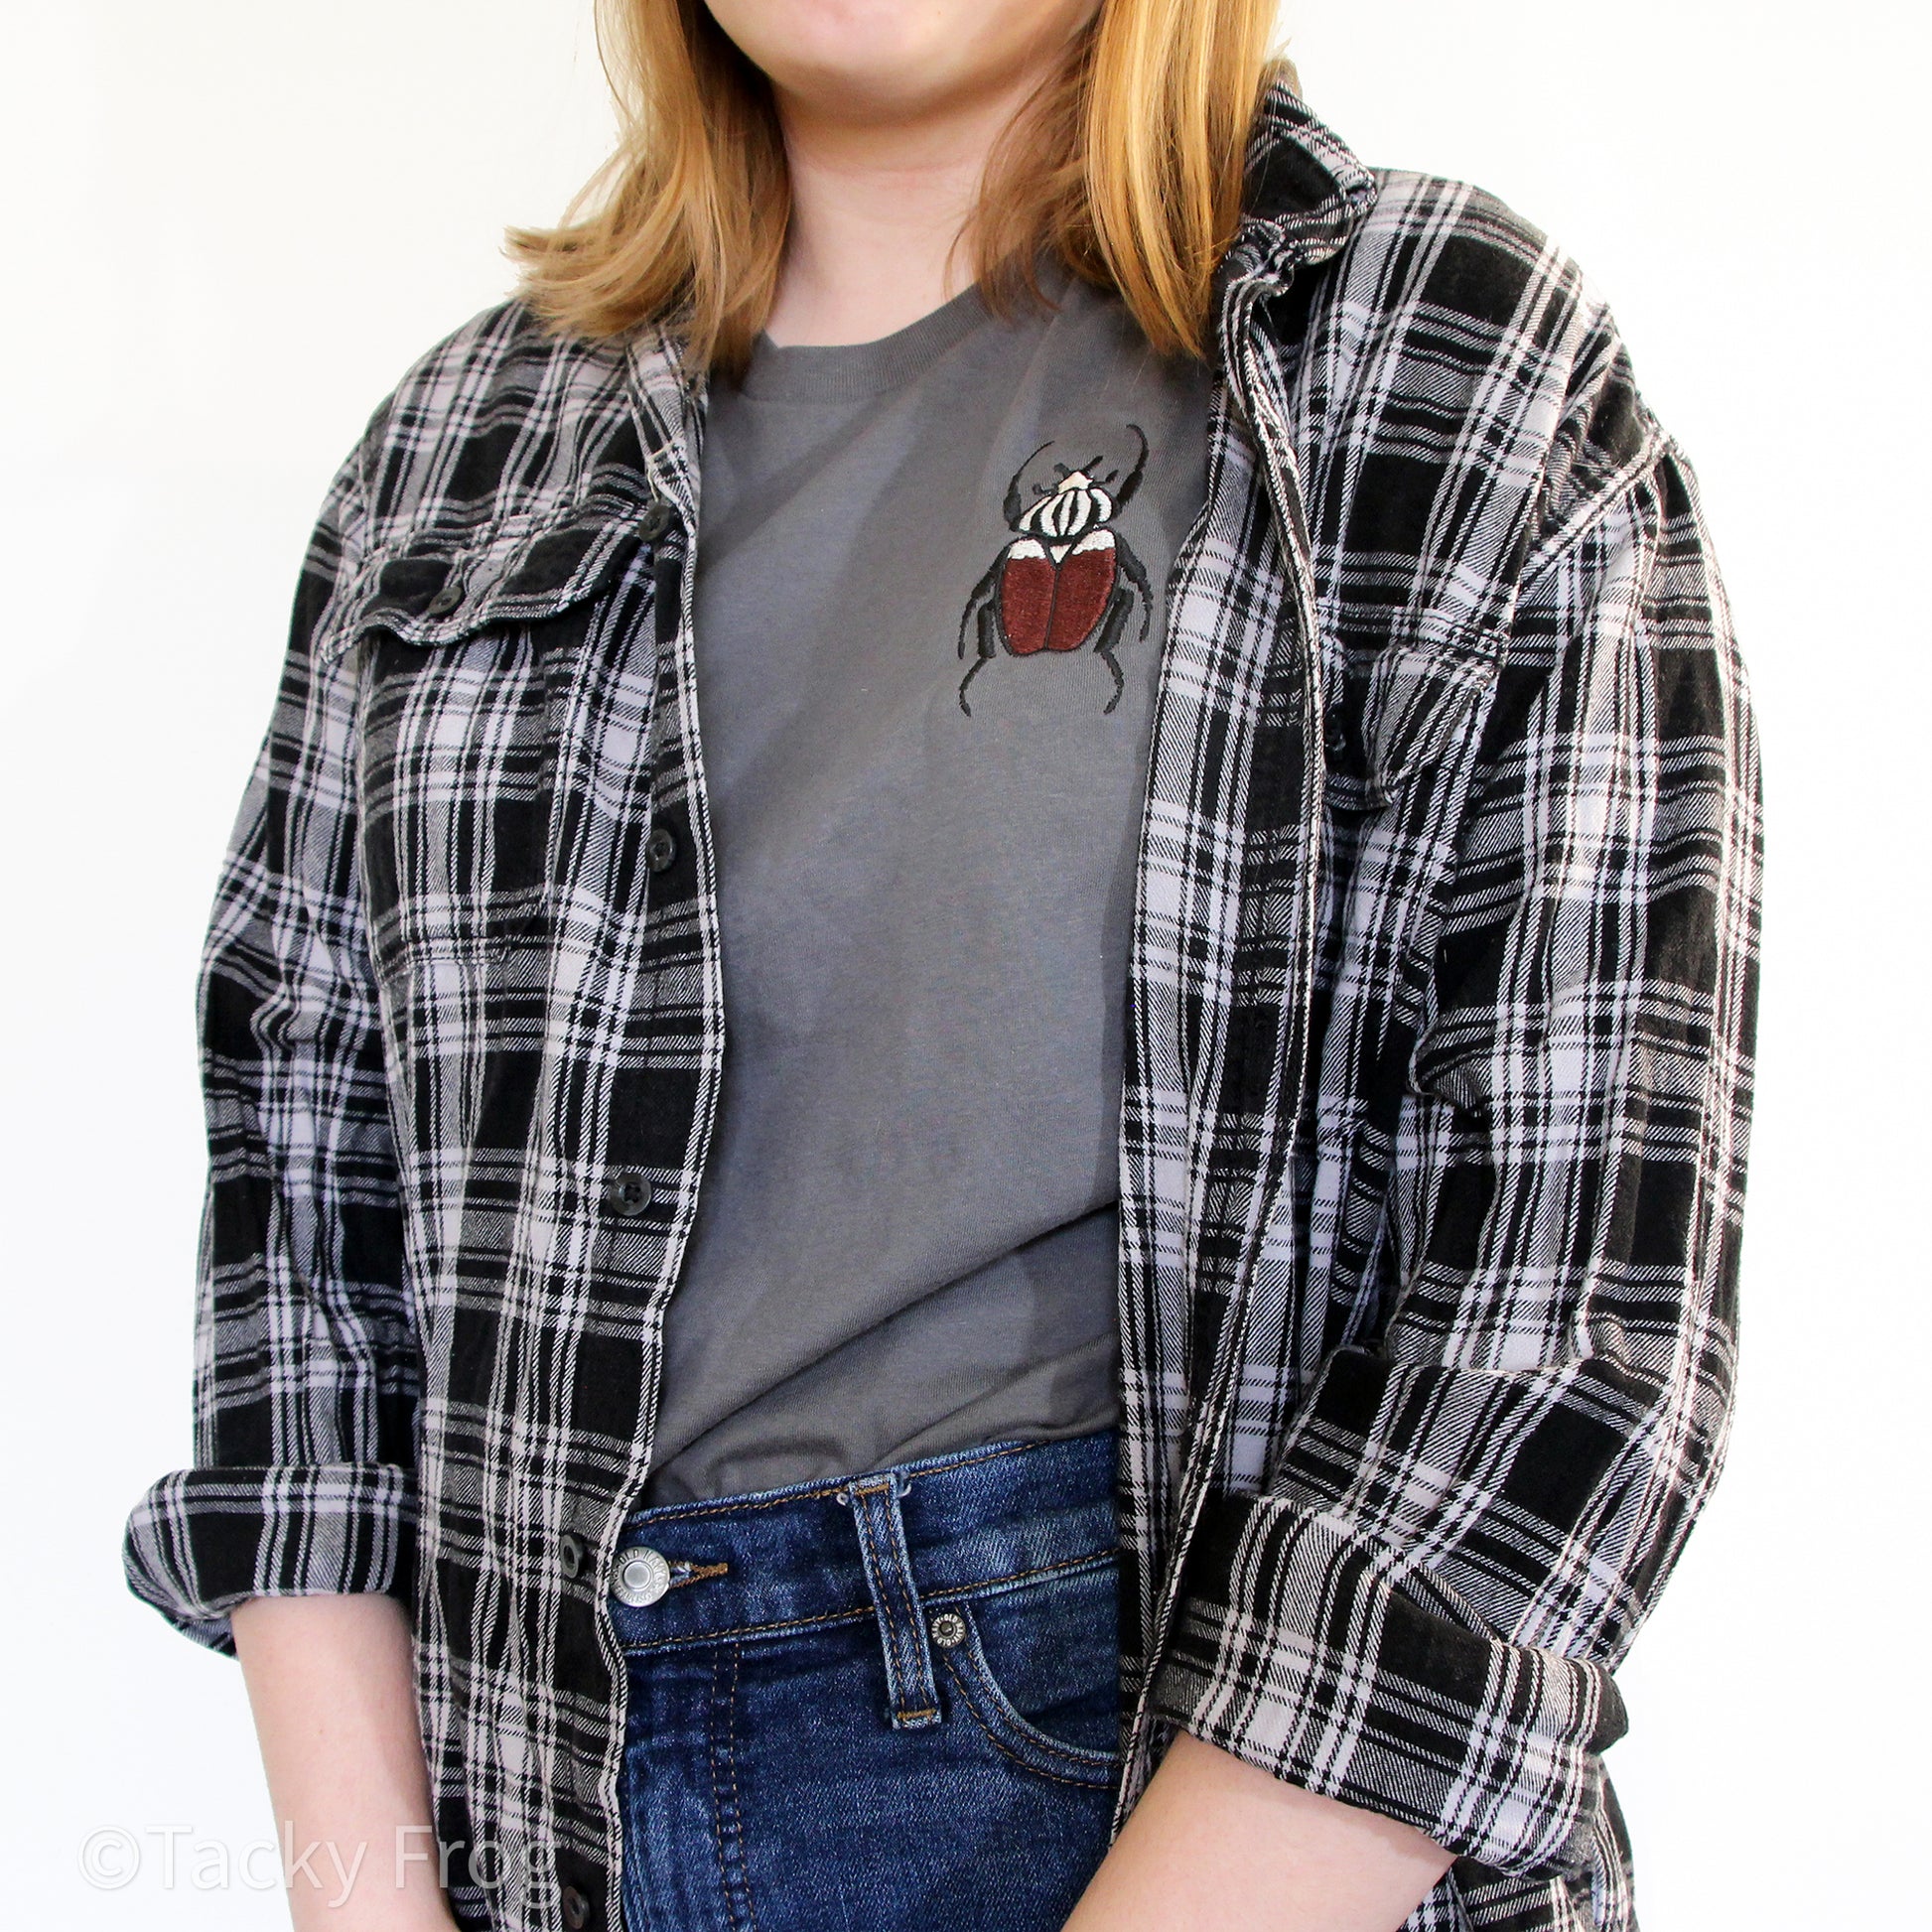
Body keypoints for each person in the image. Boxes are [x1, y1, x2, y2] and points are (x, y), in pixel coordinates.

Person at [121, 1, 1760, 1929]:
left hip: (1197, 1787)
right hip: (545, 1790)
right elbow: (300, 1271)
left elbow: (1559, 1327)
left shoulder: (1438, 356)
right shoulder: (450, 462)